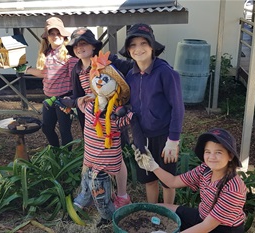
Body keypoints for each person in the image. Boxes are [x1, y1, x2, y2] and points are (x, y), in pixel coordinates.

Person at [63, 27, 134, 208]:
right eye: (76, 46)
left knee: (116, 156)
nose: (79, 48)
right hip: (92, 120)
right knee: (90, 156)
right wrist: (75, 101)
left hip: (111, 116)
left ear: (94, 46)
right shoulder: (77, 70)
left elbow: (132, 68)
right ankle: (86, 191)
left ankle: (122, 195)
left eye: (84, 43)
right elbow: (77, 94)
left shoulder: (107, 61)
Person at [118, 23, 184, 204]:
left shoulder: (166, 73)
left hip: (164, 136)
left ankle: (168, 213)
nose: (138, 49)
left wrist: (173, 140)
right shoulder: (130, 75)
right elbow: (130, 104)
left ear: (152, 47)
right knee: (149, 178)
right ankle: (153, 211)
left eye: (143, 43)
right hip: (142, 135)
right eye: (133, 45)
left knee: (167, 181)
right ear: (128, 50)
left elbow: (178, 107)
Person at [134, 128, 247, 233]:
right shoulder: (205, 169)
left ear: (230, 156)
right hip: (202, 216)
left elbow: (206, 227)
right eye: (208, 151)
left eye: (218, 152)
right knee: (158, 208)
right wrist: (152, 166)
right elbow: (173, 182)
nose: (211, 157)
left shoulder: (233, 189)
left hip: (222, 228)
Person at [73, 52, 133, 227]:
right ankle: (85, 197)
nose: (99, 82)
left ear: (115, 87)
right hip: (89, 154)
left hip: (105, 160)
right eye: (97, 78)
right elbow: (79, 105)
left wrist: (129, 114)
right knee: (86, 180)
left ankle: (109, 218)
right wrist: (75, 102)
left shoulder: (115, 111)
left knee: (101, 190)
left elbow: (126, 120)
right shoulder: (91, 104)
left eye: (105, 80)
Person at [18, 17, 78, 148]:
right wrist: (25, 69)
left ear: (63, 36)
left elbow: (75, 79)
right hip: (48, 98)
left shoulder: (69, 54)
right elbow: (43, 73)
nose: (55, 36)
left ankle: (66, 158)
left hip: (64, 98)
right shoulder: (46, 53)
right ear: (47, 37)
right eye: (52, 33)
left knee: (64, 130)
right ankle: (56, 152)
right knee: (46, 127)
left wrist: (72, 100)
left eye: (58, 33)